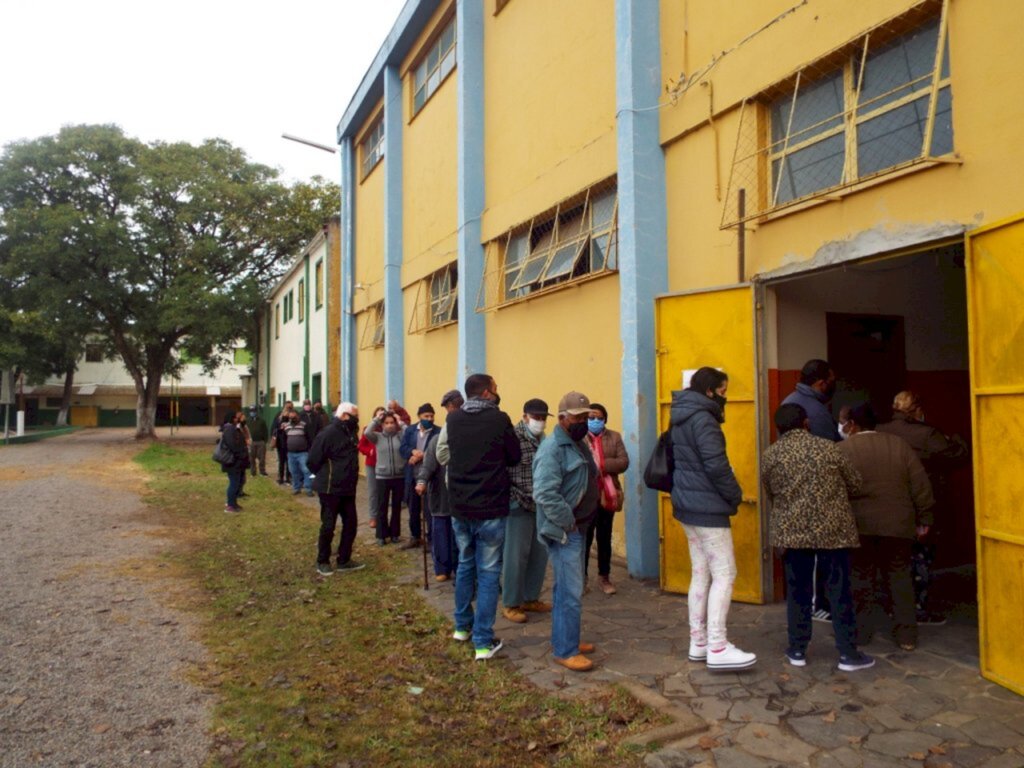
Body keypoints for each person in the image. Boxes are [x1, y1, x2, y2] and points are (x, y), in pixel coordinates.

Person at [761, 404, 875, 672]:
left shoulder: (771, 455)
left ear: (779, 428)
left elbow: (771, 493)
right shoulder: (829, 449)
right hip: (833, 531)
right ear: (806, 423)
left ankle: (797, 649)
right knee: (839, 592)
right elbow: (855, 485)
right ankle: (848, 653)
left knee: (798, 592)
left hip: (792, 532)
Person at [670, 367, 756, 671]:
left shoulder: (680, 416)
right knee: (725, 573)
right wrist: (735, 495)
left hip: (687, 505)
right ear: (709, 391)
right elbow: (717, 466)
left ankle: (699, 642)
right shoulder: (704, 419)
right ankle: (718, 646)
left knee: (701, 572)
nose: (726, 397)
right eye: (722, 391)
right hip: (707, 507)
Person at [839, 403, 935, 651]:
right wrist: (924, 519)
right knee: (900, 578)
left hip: (859, 525)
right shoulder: (899, 445)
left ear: (852, 424)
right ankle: (906, 636)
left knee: (861, 577)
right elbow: (920, 485)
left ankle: (861, 632)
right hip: (898, 525)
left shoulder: (842, 449)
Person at [445, 373, 521, 661]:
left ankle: (462, 627)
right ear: (488, 393)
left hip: (460, 506)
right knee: (488, 573)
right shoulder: (499, 419)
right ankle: (483, 642)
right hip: (490, 506)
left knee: (465, 565)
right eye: (496, 388)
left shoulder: (453, 419)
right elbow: (514, 457)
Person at [878, 390, 966, 625]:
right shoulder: (928, 435)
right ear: (917, 409)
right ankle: (918, 609)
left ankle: (894, 606)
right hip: (921, 504)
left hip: (888, 504)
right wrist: (957, 438)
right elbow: (957, 456)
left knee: (895, 560)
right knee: (922, 558)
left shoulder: (880, 430)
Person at [533, 391, 601, 672]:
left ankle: (566, 637)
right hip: (565, 531)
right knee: (571, 591)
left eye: (586, 417)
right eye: (578, 417)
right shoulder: (552, 450)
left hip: (580, 526)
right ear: (562, 419)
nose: (584, 421)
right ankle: (565, 650)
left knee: (566, 590)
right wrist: (567, 521)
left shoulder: (577, 443)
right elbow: (545, 493)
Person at [782, 359, 840, 624]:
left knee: (799, 557)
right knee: (817, 554)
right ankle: (817, 604)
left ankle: (803, 608)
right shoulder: (816, 411)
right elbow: (832, 452)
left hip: (792, 491)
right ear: (821, 383)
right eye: (831, 380)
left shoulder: (789, 401)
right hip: (815, 491)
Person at [501, 398, 553, 624]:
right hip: (518, 502)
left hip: (540, 504)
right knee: (515, 556)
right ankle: (511, 602)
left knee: (539, 554)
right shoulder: (513, 438)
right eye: (536, 417)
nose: (539, 422)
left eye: (543, 418)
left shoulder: (545, 440)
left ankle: (531, 597)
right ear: (525, 417)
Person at [308, 402, 365, 576]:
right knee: (328, 525)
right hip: (330, 488)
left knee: (351, 524)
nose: (357, 419)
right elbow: (313, 460)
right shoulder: (328, 433)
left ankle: (344, 559)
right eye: (355, 415)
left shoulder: (350, 433)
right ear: (345, 416)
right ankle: (323, 560)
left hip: (348, 488)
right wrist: (327, 475)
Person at [583, 402, 630, 595]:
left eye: (599, 418)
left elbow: (623, 461)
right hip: (586, 496)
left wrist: (601, 463)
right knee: (585, 539)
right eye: (591, 417)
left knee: (604, 537)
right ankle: (581, 578)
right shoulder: (579, 438)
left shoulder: (614, 437)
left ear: (605, 420)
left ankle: (604, 576)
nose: (595, 421)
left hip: (608, 495)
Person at [415, 393, 462, 581]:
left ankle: (459, 567)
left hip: (460, 496)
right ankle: (442, 568)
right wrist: (421, 481)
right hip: (440, 496)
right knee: (441, 533)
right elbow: (428, 465)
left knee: (458, 537)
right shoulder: (436, 440)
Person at [399, 403, 440, 550]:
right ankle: (415, 536)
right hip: (412, 475)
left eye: (431, 416)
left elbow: (438, 452)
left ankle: (431, 539)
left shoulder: (437, 432)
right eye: (426, 416)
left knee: (429, 510)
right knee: (413, 508)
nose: (429, 418)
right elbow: (402, 448)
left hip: (430, 476)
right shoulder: (410, 431)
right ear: (419, 417)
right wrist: (412, 452)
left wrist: (423, 455)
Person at [363, 411, 407, 545]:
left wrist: (400, 421)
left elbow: (408, 432)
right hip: (382, 476)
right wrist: (377, 418)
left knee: (396, 507)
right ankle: (381, 535)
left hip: (399, 475)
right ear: (382, 425)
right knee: (382, 506)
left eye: (392, 423)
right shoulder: (377, 437)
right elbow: (366, 432)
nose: (389, 425)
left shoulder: (400, 436)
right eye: (386, 423)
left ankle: (395, 534)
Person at [358, 406, 386, 529]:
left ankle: (383, 517)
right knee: (373, 491)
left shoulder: (387, 429)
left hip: (385, 465)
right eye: (378, 415)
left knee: (383, 492)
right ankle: (373, 516)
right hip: (372, 464)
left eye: (382, 415)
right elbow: (361, 445)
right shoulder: (368, 429)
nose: (380, 418)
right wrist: (369, 451)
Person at [220, 411, 249, 513]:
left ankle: (234, 503)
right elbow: (233, 445)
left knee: (238, 482)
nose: (238, 419)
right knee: (234, 483)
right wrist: (240, 453)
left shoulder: (234, 428)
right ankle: (230, 505)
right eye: (236, 418)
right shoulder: (229, 429)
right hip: (232, 461)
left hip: (237, 460)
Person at [284, 409, 315, 496]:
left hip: (303, 453)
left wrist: (309, 450)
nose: (292, 418)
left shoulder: (304, 425)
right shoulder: (286, 426)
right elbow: (284, 438)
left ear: (298, 416)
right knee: (293, 471)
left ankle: (309, 489)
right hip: (290, 453)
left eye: (294, 417)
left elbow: (310, 438)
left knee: (306, 470)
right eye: (290, 417)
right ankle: (296, 488)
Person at [271, 402, 294, 485]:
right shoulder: (279, 415)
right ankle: (281, 477)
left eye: (290, 407)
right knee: (281, 460)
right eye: (287, 407)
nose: (288, 408)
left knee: (289, 461)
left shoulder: (294, 415)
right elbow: (274, 427)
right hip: (280, 441)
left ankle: (288, 477)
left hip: (290, 441)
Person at [247, 406, 269, 477]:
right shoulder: (247, 421)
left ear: (256, 412)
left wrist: (264, 441)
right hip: (251, 442)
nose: (252, 412)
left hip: (260, 441)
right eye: (251, 411)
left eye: (254, 411)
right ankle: (253, 472)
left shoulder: (261, 421)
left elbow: (265, 431)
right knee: (251, 458)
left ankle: (262, 471)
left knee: (262, 458)